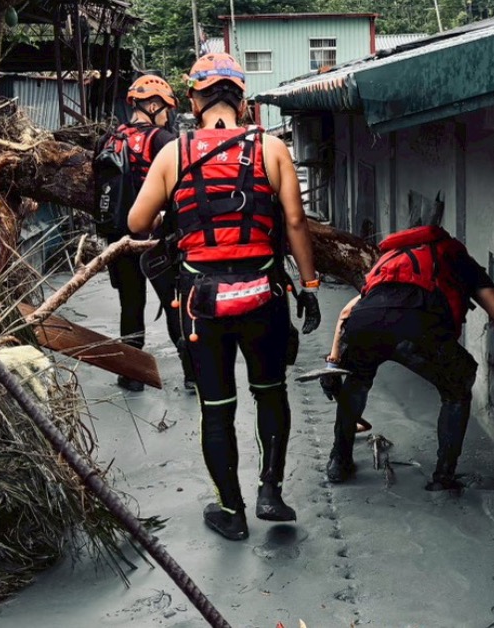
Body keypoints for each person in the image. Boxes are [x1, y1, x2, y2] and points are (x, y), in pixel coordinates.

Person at [127, 53, 321, 540]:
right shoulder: (270, 147)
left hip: (200, 300)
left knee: (218, 406)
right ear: (242, 100)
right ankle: (271, 492)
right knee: (270, 392)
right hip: (265, 293)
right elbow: (296, 222)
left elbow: (135, 223)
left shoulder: (173, 153)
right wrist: (312, 287)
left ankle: (231, 511)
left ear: (193, 99)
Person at [320, 224, 494, 492]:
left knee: (357, 381)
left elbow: (346, 313)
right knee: (457, 387)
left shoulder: (391, 259)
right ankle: (443, 478)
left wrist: (333, 362)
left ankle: (338, 462)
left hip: (365, 323)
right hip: (418, 327)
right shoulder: (455, 256)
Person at [94, 74, 194, 392]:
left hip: (118, 241)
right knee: (174, 304)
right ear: (152, 105)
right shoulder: (161, 140)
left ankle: (132, 375)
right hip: (155, 239)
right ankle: (193, 375)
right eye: (165, 108)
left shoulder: (108, 140)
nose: (167, 116)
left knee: (130, 305)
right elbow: (182, 190)